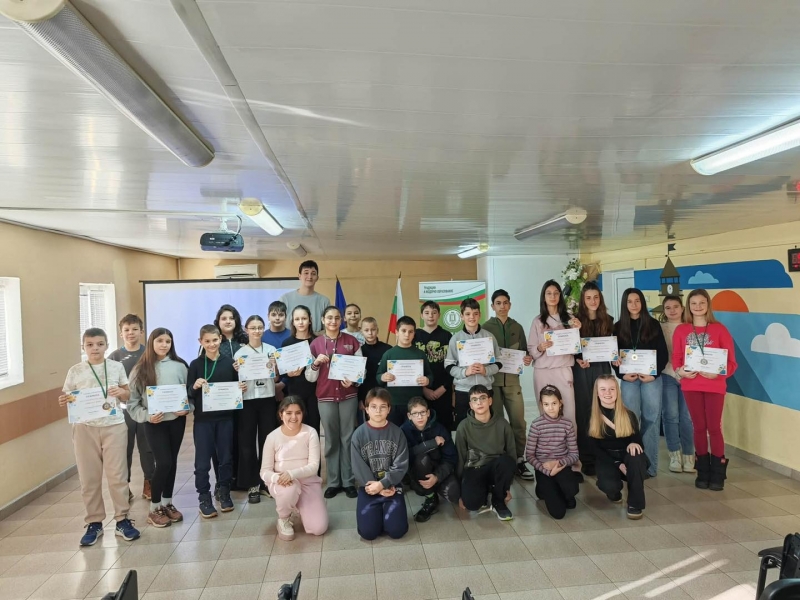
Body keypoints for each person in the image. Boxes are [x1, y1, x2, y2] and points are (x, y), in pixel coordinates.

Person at [58, 328, 140, 546]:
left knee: (118, 475)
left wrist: (121, 393)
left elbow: (127, 394)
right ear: (83, 346)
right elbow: (68, 397)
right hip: (85, 428)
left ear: (106, 345)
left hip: (113, 426)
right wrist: (64, 400)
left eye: (100, 344)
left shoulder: (116, 366)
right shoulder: (75, 371)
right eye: (90, 344)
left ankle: (122, 519)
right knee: (89, 478)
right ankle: (94, 522)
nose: (95, 348)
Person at [672, 289, 737, 491]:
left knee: (714, 427)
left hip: (715, 386)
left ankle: (718, 473)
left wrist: (718, 373)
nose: (698, 307)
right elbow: (677, 359)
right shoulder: (681, 330)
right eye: (693, 303)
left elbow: (731, 363)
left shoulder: (720, 330)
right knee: (699, 427)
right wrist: (680, 371)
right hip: (691, 385)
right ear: (688, 306)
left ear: (708, 305)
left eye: (702, 303)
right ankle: (702, 472)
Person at [127, 328, 190, 528]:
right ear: (151, 343)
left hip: (176, 422)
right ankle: (154, 508)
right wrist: (147, 416)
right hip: (154, 423)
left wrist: (187, 408)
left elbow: (190, 395)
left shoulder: (180, 366)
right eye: (160, 341)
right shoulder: (140, 369)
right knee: (163, 462)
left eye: (168, 341)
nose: (164, 345)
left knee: (172, 462)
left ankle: (167, 503)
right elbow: (132, 403)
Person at [187, 324, 246, 518]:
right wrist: (195, 386)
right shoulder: (195, 365)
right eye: (207, 341)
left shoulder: (230, 363)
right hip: (203, 421)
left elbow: (237, 388)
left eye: (214, 340)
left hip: (225, 419)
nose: (211, 344)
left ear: (220, 339)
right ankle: (204, 497)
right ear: (200, 342)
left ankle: (224, 490)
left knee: (226, 458)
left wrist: (241, 388)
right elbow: (188, 393)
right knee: (202, 461)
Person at [306, 306, 362, 499]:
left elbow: (360, 371)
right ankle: (333, 482)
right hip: (325, 397)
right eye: (329, 317)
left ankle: (348, 481)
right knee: (331, 440)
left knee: (348, 438)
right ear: (323, 320)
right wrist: (316, 363)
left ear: (341, 320)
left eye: (337, 318)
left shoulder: (352, 342)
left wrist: (353, 381)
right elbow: (310, 377)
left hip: (348, 396)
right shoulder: (315, 344)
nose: (333, 321)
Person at [528, 280, 582, 478]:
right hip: (543, 371)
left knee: (569, 415)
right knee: (547, 416)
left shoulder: (570, 319)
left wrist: (578, 329)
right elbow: (531, 350)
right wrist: (540, 347)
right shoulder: (537, 321)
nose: (553, 296)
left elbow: (578, 347)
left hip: (563, 369)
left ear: (560, 296)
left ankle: (572, 464)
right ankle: (547, 461)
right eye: (549, 293)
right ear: (544, 297)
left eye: (556, 293)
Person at [612, 289, 668, 478]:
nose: (634, 305)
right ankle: (633, 464)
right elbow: (614, 357)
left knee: (651, 419)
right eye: (630, 301)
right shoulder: (618, 327)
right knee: (631, 420)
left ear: (642, 303)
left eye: (637, 301)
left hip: (651, 379)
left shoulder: (653, 324)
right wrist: (621, 374)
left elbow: (663, 353)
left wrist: (654, 374)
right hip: (629, 380)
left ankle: (649, 466)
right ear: (625, 304)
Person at [482, 289, 534, 480]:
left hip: (513, 383)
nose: (502, 306)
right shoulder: (485, 328)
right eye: (498, 303)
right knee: (495, 423)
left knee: (518, 422)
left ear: (510, 305)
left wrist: (527, 358)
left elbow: (525, 352)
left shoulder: (517, 327)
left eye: (505, 303)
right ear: (492, 306)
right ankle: (498, 460)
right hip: (492, 383)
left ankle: (519, 459)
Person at [260, 396, 328, 541]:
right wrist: (277, 478)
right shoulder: (272, 437)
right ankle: (284, 518)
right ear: (281, 414)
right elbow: (264, 471)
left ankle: (302, 506)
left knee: (319, 528)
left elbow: (314, 466)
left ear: (303, 414)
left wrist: (292, 474)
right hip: (283, 484)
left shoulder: (310, 432)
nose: (293, 417)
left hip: (308, 482)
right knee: (290, 489)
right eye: (288, 413)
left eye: (298, 413)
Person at [350, 388, 409, 540]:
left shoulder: (397, 433)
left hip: (392, 486)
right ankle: (378, 514)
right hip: (368, 486)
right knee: (368, 533)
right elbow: (358, 467)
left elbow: (401, 464)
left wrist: (384, 484)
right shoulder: (358, 434)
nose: (378, 411)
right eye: (373, 407)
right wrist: (375, 487)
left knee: (397, 531)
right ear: (366, 409)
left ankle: (386, 514)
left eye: (383, 407)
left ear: (389, 409)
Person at [108, 314, 155, 501]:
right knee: (123, 449)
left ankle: (149, 482)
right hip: (123, 410)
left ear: (142, 332)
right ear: (121, 333)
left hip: (144, 409)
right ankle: (124, 486)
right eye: (126, 330)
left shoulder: (149, 354)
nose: (131, 333)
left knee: (147, 448)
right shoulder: (114, 357)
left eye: (135, 329)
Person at [234, 315, 280, 504]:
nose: (257, 331)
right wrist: (237, 377)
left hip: (267, 399)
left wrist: (275, 367)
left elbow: (276, 378)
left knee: (267, 441)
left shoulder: (271, 350)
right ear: (246, 330)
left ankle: (265, 482)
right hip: (247, 401)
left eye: (260, 327)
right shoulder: (239, 354)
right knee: (247, 443)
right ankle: (252, 484)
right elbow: (235, 382)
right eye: (253, 328)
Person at [589, 374, 648, 520]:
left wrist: (634, 443)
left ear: (617, 391)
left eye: (612, 389)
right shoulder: (591, 417)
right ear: (597, 393)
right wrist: (617, 464)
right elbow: (594, 449)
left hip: (627, 456)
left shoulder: (629, 415)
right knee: (609, 486)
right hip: (606, 458)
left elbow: (639, 443)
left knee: (636, 456)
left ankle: (635, 504)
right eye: (603, 389)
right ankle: (614, 492)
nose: (608, 393)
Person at [572, 282, 615, 477]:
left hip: (603, 370)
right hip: (582, 370)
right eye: (588, 298)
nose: (593, 301)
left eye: (596, 297)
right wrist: (577, 358)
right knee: (584, 413)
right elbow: (571, 348)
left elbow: (613, 347)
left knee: (604, 410)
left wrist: (616, 357)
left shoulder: (609, 320)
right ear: (583, 300)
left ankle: (603, 457)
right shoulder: (575, 321)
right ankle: (587, 458)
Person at [455, 385, 516, 521]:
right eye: (475, 399)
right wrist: (461, 492)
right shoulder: (463, 426)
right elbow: (460, 457)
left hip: (496, 467)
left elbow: (512, 453)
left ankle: (498, 501)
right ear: (471, 405)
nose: (479, 402)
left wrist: (507, 488)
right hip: (474, 468)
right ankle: (486, 491)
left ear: (490, 401)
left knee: (507, 461)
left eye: (483, 398)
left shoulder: (503, 424)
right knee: (472, 504)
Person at [444, 298, 502, 428]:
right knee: (463, 426)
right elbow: (448, 365)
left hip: (485, 388)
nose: (472, 317)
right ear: (462, 316)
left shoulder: (489, 337)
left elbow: (499, 362)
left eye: (475, 314)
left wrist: (486, 370)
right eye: (468, 314)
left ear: (479, 315)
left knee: (487, 425)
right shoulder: (455, 338)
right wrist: (465, 372)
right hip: (463, 390)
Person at [400, 396, 460, 522]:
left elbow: (451, 457)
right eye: (415, 413)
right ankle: (431, 497)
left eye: (422, 412)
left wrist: (437, 476)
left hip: (439, 469)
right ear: (409, 416)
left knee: (454, 494)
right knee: (421, 459)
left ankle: (436, 487)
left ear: (428, 413)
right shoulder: (403, 431)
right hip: (418, 472)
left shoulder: (439, 428)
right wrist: (431, 444)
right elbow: (405, 456)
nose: (419, 417)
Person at [525, 385, 579, 520]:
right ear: (541, 405)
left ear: (560, 403)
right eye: (546, 404)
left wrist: (558, 463)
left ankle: (564, 492)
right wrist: (547, 471)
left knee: (572, 489)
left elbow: (574, 454)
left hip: (561, 466)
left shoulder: (567, 424)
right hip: (544, 468)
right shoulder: (536, 425)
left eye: (554, 403)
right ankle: (543, 489)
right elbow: (529, 455)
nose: (550, 408)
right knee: (558, 513)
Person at [660, 295, 696, 474]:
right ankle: (675, 454)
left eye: (675, 306)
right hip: (668, 376)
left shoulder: (692, 327)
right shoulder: (660, 328)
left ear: (682, 308)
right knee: (671, 416)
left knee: (687, 417)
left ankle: (689, 454)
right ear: (664, 311)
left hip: (689, 377)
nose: (672, 310)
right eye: (668, 307)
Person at [377, 316, 432, 426]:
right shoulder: (389, 354)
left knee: (413, 433)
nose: (407, 335)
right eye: (403, 331)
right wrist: (383, 377)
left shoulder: (420, 354)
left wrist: (427, 380)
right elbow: (378, 376)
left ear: (414, 334)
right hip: (394, 403)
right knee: (394, 432)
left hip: (415, 404)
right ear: (397, 332)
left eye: (410, 332)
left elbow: (430, 375)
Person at [415, 300, 454, 431]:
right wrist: (423, 389)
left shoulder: (447, 336)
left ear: (439, 315)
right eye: (427, 313)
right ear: (421, 315)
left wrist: (444, 387)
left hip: (443, 390)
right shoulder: (415, 336)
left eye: (434, 312)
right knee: (422, 427)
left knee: (444, 427)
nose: (430, 316)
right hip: (420, 391)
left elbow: (454, 365)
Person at [282, 305, 320, 435]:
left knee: (313, 427)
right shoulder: (287, 343)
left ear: (310, 320)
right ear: (292, 322)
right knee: (296, 428)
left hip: (315, 391)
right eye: (297, 319)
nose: (301, 322)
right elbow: (283, 371)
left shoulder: (317, 341)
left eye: (304, 318)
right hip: (295, 391)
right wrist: (289, 373)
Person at [279, 260, 331, 332]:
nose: (309, 276)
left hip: (315, 338)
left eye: (313, 274)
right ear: (299, 276)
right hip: (289, 339)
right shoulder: (285, 299)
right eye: (306, 273)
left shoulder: (324, 301)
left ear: (317, 278)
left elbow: (328, 329)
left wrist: (313, 336)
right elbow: (277, 326)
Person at [358, 317, 391, 424]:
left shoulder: (387, 349)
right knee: (371, 424)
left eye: (373, 329)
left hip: (385, 393)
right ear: (361, 331)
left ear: (377, 330)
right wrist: (360, 399)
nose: (370, 333)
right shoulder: (359, 352)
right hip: (367, 395)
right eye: (366, 330)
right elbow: (358, 378)